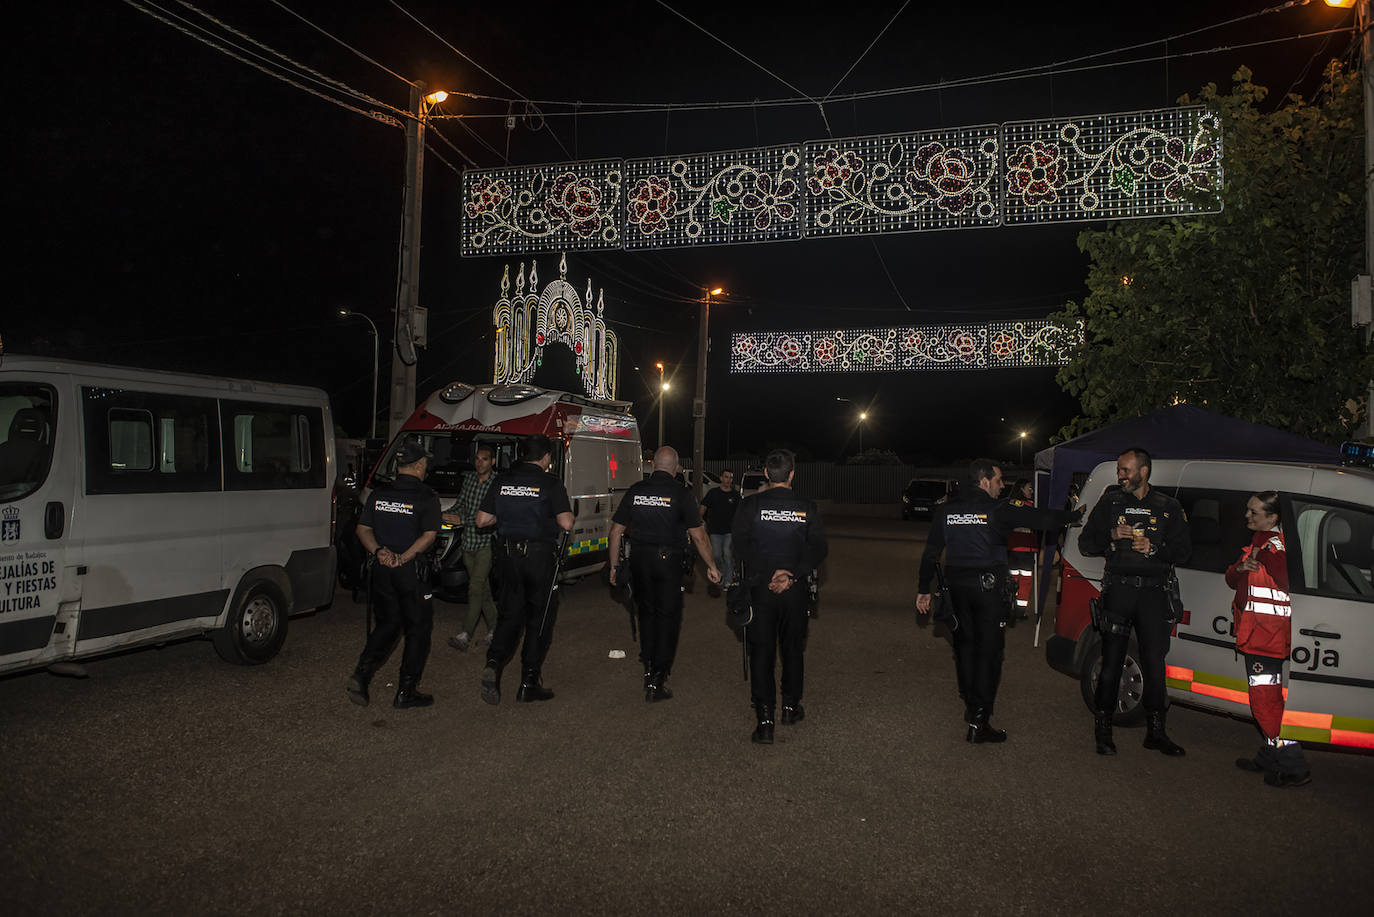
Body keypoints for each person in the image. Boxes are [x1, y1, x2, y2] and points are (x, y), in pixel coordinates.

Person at [916, 458, 1081, 743]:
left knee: (965, 648)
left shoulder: (947, 510)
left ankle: (971, 706)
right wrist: (1074, 516)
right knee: (989, 653)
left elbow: (931, 552)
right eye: (999, 480)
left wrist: (923, 589)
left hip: (957, 590)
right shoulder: (997, 509)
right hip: (988, 591)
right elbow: (1040, 518)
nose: (1002, 485)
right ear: (984, 481)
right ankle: (980, 720)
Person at [1078, 447, 1191, 757]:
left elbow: (1184, 552)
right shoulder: (1111, 502)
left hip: (1153, 595)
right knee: (1112, 661)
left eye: (1126, 470)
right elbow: (1085, 543)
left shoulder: (1168, 506)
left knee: (1154, 664)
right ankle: (1103, 730)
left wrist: (1154, 548)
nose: (1120, 476)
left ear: (1144, 471)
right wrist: (1112, 536)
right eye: (1119, 470)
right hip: (1119, 592)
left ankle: (1156, 733)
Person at [608, 446, 720, 701]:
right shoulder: (681, 493)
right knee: (667, 618)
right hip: (668, 563)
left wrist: (614, 567)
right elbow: (699, 535)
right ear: (676, 467)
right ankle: (658, 679)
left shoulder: (636, 490)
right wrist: (712, 566)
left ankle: (648, 668)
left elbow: (615, 531)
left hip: (640, 561)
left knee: (646, 614)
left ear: (655, 464)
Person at [731, 448, 828, 745]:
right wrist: (791, 575)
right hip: (794, 591)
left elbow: (740, 546)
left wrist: (766, 574)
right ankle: (790, 707)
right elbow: (819, 549)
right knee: (792, 650)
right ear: (792, 474)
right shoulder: (807, 507)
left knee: (761, 652)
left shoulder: (750, 505)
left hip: (762, 589)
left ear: (765, 474)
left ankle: (765, 721)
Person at [475, 434, 574, 705]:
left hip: (507, 558)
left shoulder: (502, 480)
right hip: (539, 559)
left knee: (509, 615)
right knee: (538, 619)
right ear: (545, 458)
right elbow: (566, 523)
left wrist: (507, 515)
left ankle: (493, 664)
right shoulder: (550, 482)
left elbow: (482, 520)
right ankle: (528, 683)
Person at [346, 437, 443, 709]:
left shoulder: (380, 494)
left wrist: (379, 552)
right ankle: (406, 691)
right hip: (410, 572)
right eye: (425, 463)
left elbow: (362, 529)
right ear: (420, 464)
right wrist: (404, 557)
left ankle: (361, 674)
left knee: (388, 624)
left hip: (382, 572)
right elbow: (429, 535)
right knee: (418, 630)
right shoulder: (426, 496)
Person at [1226, 490, 1310, 787]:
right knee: (1269, 699)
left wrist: (1265, 560)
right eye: (1248, 510)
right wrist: (1241, 568)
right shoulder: (1259, 544)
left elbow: (1291, 583)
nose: (1247, 516)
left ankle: (1293, 764)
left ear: (1273, 518)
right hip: (1258, 634)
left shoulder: (1276, 548)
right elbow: (1231, 578)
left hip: (1267, 638)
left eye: (1254, 512)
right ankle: (1269, 755)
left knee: (1264, 703)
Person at [444, 444, 500, 652]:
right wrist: (445, 514)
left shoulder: (496, 484)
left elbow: (494, 517)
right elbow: (460, 505)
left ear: (492, 462)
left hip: (486, 542)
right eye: (477, 458)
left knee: (475, 586)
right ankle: (496, 629)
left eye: (484, 459)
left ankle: (465, 634)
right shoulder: (468, 479)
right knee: (483, 590)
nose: (479, 462)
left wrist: (461, 518)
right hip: (468, 542)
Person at [701, 469, 742, 587]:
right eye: (726, 477)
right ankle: (722, 574)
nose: (728, 480)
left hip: (730, 531)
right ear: (721, 478)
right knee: (717, 555)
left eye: (730, 478)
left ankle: (728, 581)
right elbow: (703, 507)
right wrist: (700, 519)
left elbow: (741, 512)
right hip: (715, 531)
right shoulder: (713, 493)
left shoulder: (735, 495)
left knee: (727, 553)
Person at [1005, 478, 1038, 620]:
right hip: (1026, 549)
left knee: (1012, 579)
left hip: (1012, 548)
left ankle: (1009, 607)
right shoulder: (1030, 506)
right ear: (1021, 489)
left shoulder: (1009, 504)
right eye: (1029, 488)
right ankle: (1019, 612)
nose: (1031, 491)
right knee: (1025, 581)